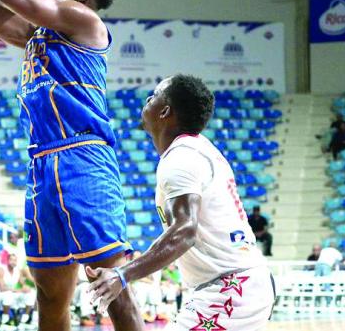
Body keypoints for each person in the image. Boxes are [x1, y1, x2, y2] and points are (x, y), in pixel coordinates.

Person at [0, 0, 142, 331]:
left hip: (82, 157)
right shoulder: (37, 32)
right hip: (42, 160)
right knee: (49, 293)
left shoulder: (84, 21)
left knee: (109, 284)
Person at [86, 75, 273, 331]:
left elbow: (185, 231)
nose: (147, 99)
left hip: (231, 287)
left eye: (154, 95)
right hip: (239, 282)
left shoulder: (180, 158)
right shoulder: (197, 150)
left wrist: (123, 274)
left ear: (165, 111)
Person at [0, 252, 36, 327]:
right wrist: (18, 290)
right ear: (7, 260)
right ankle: (5, 321)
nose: (13, 262)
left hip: (10, 296)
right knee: (8, 295)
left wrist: (26, 288)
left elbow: (22, 284)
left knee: (31, 293)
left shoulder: (18, 271)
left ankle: (24, 320)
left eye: (15, 260)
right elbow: (2, 288)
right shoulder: (1, 270)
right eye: (11, 260)